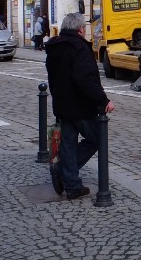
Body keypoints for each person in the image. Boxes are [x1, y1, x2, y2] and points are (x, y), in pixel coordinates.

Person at [46, 13, 115, 199]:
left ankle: (72, 185)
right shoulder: (79, 48)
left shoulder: (55, 47)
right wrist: (103, 101)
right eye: (85, 28)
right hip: (80, 107)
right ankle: (63, 171)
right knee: (97, 138)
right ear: (81, 29)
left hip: (62, 105)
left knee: (68, 144)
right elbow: (85, 80)